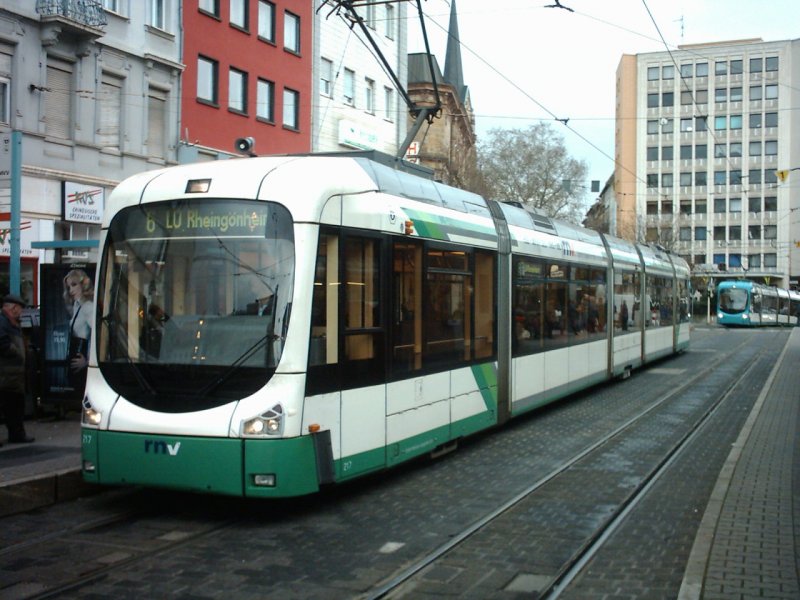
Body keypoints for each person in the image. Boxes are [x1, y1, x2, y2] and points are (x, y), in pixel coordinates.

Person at [0, 294, 34, 444]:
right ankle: (17, 434)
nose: (21, 312)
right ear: (13, 308)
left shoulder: (11, 322)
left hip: (13, 376)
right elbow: (4, 345)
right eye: (20, 309)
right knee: (10, 405)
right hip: (6, 375)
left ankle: (17, 434)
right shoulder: (3, 322)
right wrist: (18, 353)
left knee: (14, 406)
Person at [63, 269, 94, 390]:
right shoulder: (77, 305)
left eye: (74, 284)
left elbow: (99, 335)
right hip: (75, 357)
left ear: (83, 284)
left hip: (81, 359)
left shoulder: (88, 307)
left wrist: (87, 360)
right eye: (68, 287)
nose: (71, 290)